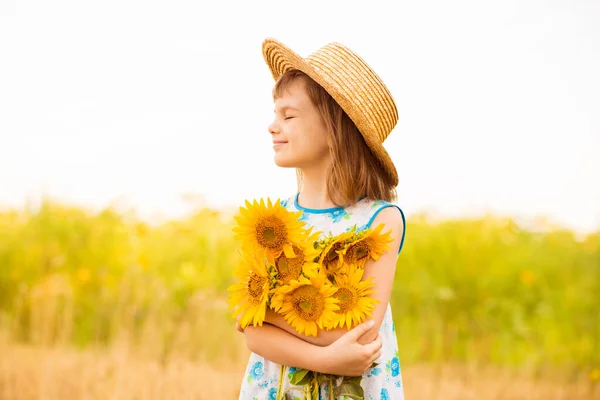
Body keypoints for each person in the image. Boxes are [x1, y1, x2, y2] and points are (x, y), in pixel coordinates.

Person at [236, 37, 407, 399]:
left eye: (289, 115)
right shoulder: (273, 222)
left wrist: (265, 313)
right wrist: (327, 359)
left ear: (334, 128)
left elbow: (361, 334)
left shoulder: (379, 220)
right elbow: (252, 334)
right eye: (274, 113)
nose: (272, 125)